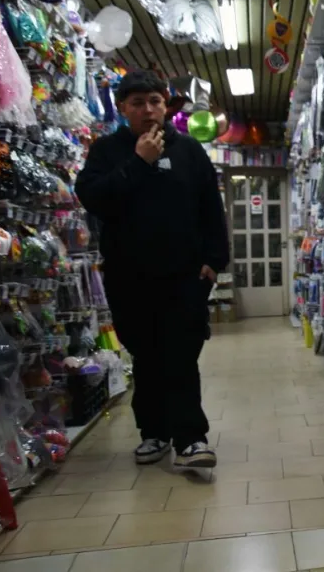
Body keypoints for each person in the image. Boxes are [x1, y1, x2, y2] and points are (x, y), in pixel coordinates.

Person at [75, 71, 228, 470]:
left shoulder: (190, 151)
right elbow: (94, 199)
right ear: (123, 108)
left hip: (185, 277)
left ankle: (191, 439)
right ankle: (154, 433)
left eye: (155, 101)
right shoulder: (106, 151)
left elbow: (211, 209)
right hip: (129, 278)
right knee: (146, 357)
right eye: (138, 103)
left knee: (181, 356)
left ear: (165, 106)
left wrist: (215, 262)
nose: (148, 110)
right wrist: (138, 163)